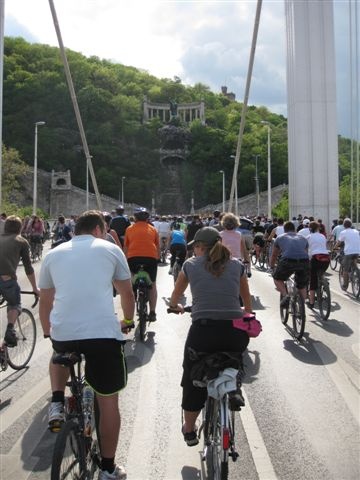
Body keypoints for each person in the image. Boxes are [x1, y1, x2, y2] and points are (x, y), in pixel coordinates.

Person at [39, 210, 135, 480]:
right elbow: (126, 292)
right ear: (98, 230)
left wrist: (49, 332)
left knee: (59, 352)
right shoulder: (110, 248)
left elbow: (45, 300)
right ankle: (107, 469)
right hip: (102, 335)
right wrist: (128, 319)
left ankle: (57, 401)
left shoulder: (54, 253)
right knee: (108, 403)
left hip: (64, 333)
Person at [169, 227, 252, 446]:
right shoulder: (237, 265)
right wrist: (247, 314)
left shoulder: (190, 265)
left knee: (193, 377)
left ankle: (189, 430)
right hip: (235, 331)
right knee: (233, 358)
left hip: (203, 330)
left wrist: (175, 306)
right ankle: (232, 386)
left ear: (199, 247)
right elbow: (247, 300)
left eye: (195, 247)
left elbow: (176, 296)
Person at [0, 216, 40, 347]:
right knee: (14, 304)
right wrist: (35, 288)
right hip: (6, 280)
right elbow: (28, 268)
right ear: (20, 228)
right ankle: (10, 331)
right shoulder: (21, 241)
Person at [124, 208, 160, 322]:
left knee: (132, 280)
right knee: (153, 284)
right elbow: (157, 246)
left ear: (135, 218)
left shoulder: (129, 229)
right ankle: (153, 312)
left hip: (133, 258)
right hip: (150, 258)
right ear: (147, 218)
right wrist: (157, 258)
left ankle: (134, 296)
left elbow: (126, 247)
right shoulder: (153, 229)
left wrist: (124, 260)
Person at [270, 221, 309, 305]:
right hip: (304, 261)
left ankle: (285, 295)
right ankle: (303, 302)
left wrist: (272, 266)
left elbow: (274, 255)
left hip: (288, 260)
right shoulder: (303, 238)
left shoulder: (280, 237)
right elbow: (305, 252)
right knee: (302, 284)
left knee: (277, 278)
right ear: (294, 229)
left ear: (284, 229)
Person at [306, 221, 330, 308]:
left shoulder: (308, 237)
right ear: (318, 228)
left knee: (313, 280)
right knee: (321, 272)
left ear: (310, 228)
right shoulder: (323, 236)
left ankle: (311, 303)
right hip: (326, 259)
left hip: (315, 259)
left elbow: (305, 249)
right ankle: (324, 282)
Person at [336, 218, 360, 291]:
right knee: (354, 265)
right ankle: (356, 275)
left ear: (344, 225)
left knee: (345, 270)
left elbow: (339, 242)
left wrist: (334, 248)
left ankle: (345, 285)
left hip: (349, 252)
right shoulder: (356, 231)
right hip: (357, 252)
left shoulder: (343, 232)